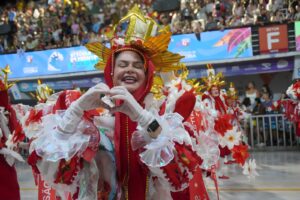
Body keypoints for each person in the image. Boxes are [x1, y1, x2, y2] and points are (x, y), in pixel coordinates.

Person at [27, 6, 212, 200]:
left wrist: (142, 117)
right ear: (111, 73)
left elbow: (179, 173)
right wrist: (75, 111)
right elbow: (57, 173)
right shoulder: (95, 116)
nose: (130, 70)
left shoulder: (162, 111)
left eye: (137, 66)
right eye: (123, 65)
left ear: (147, 75)